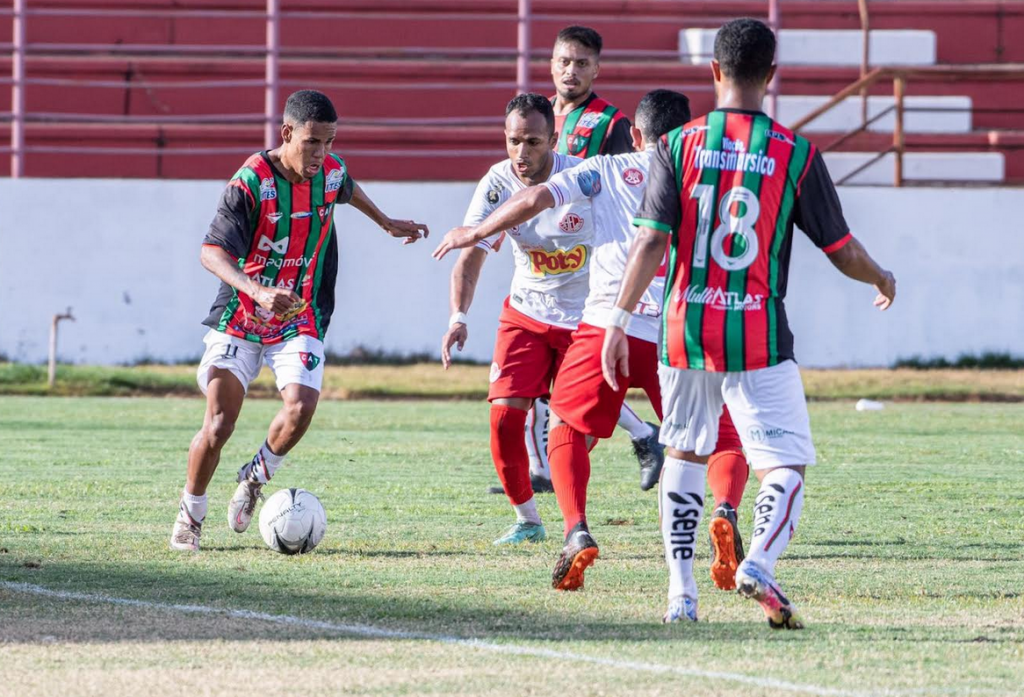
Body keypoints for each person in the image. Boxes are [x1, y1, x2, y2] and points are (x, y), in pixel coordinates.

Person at [602, 18, 896, 627]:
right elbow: (840, 249)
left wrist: (617, 319)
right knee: (785, 463)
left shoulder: (673, 146)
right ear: (771, 75)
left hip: (683, 325)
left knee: (682, 451)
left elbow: (650, 243)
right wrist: (881, 277)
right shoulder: (794, 152)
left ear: (713, 71)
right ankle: (758, 560)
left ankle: (680, 598)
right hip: (758, 330)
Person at [433, 90, 751, 597]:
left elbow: (535, 198)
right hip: (681, 327)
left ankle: (575, 529)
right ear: (688, 133)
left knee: (563, 425)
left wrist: (475, 232)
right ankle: (725, 510)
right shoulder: (711, 176)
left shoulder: (603, 168)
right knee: (721, 434)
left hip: (609, 324)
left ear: (637, 135)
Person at [170, 89, 428, 552]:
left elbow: (347, 187)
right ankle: (191, 514)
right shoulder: (252, 181)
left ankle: (254, 478)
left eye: (329, 142)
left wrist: (386, 222)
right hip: (241, 317)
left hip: (298, 315)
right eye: (312, 142)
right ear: (287, 133)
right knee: (219, 424)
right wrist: (257, 290)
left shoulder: (330, 171)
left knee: (301, 408)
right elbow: (210, 252)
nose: (321, 153)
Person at [435, 93, 593, 546]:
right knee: (505, 420)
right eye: (513, 141)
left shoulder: (584, 179)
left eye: (533, 142)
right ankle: (529, 521)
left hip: (584, 323)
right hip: (525, 314)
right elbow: (470, 255)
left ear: (554, 139)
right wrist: (458, 317)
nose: (521, 154)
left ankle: (575, 523)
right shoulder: (497, 182)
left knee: (572, 431)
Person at [514, 24, 660, 494]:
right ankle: (554, 464)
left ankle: (559, 462)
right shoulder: (535, 116)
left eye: (581, 63)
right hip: (543, 255)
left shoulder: (611, 124)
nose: (570, 70)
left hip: (590, 266)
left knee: (569, 367)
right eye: (563, 61)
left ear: (597, 68)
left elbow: (635, 193)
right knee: (552, 369)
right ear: (550, 63)